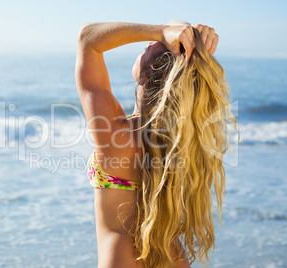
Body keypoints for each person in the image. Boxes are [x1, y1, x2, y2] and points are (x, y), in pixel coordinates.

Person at [75, 20, 237, 268]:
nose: (149, 42)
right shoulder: (186, 139)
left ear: (145, 77)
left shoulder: (118, 136)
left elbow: (88, 39)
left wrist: (159, 31)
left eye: (150, 46)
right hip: (172, 257)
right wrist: (190, 37)